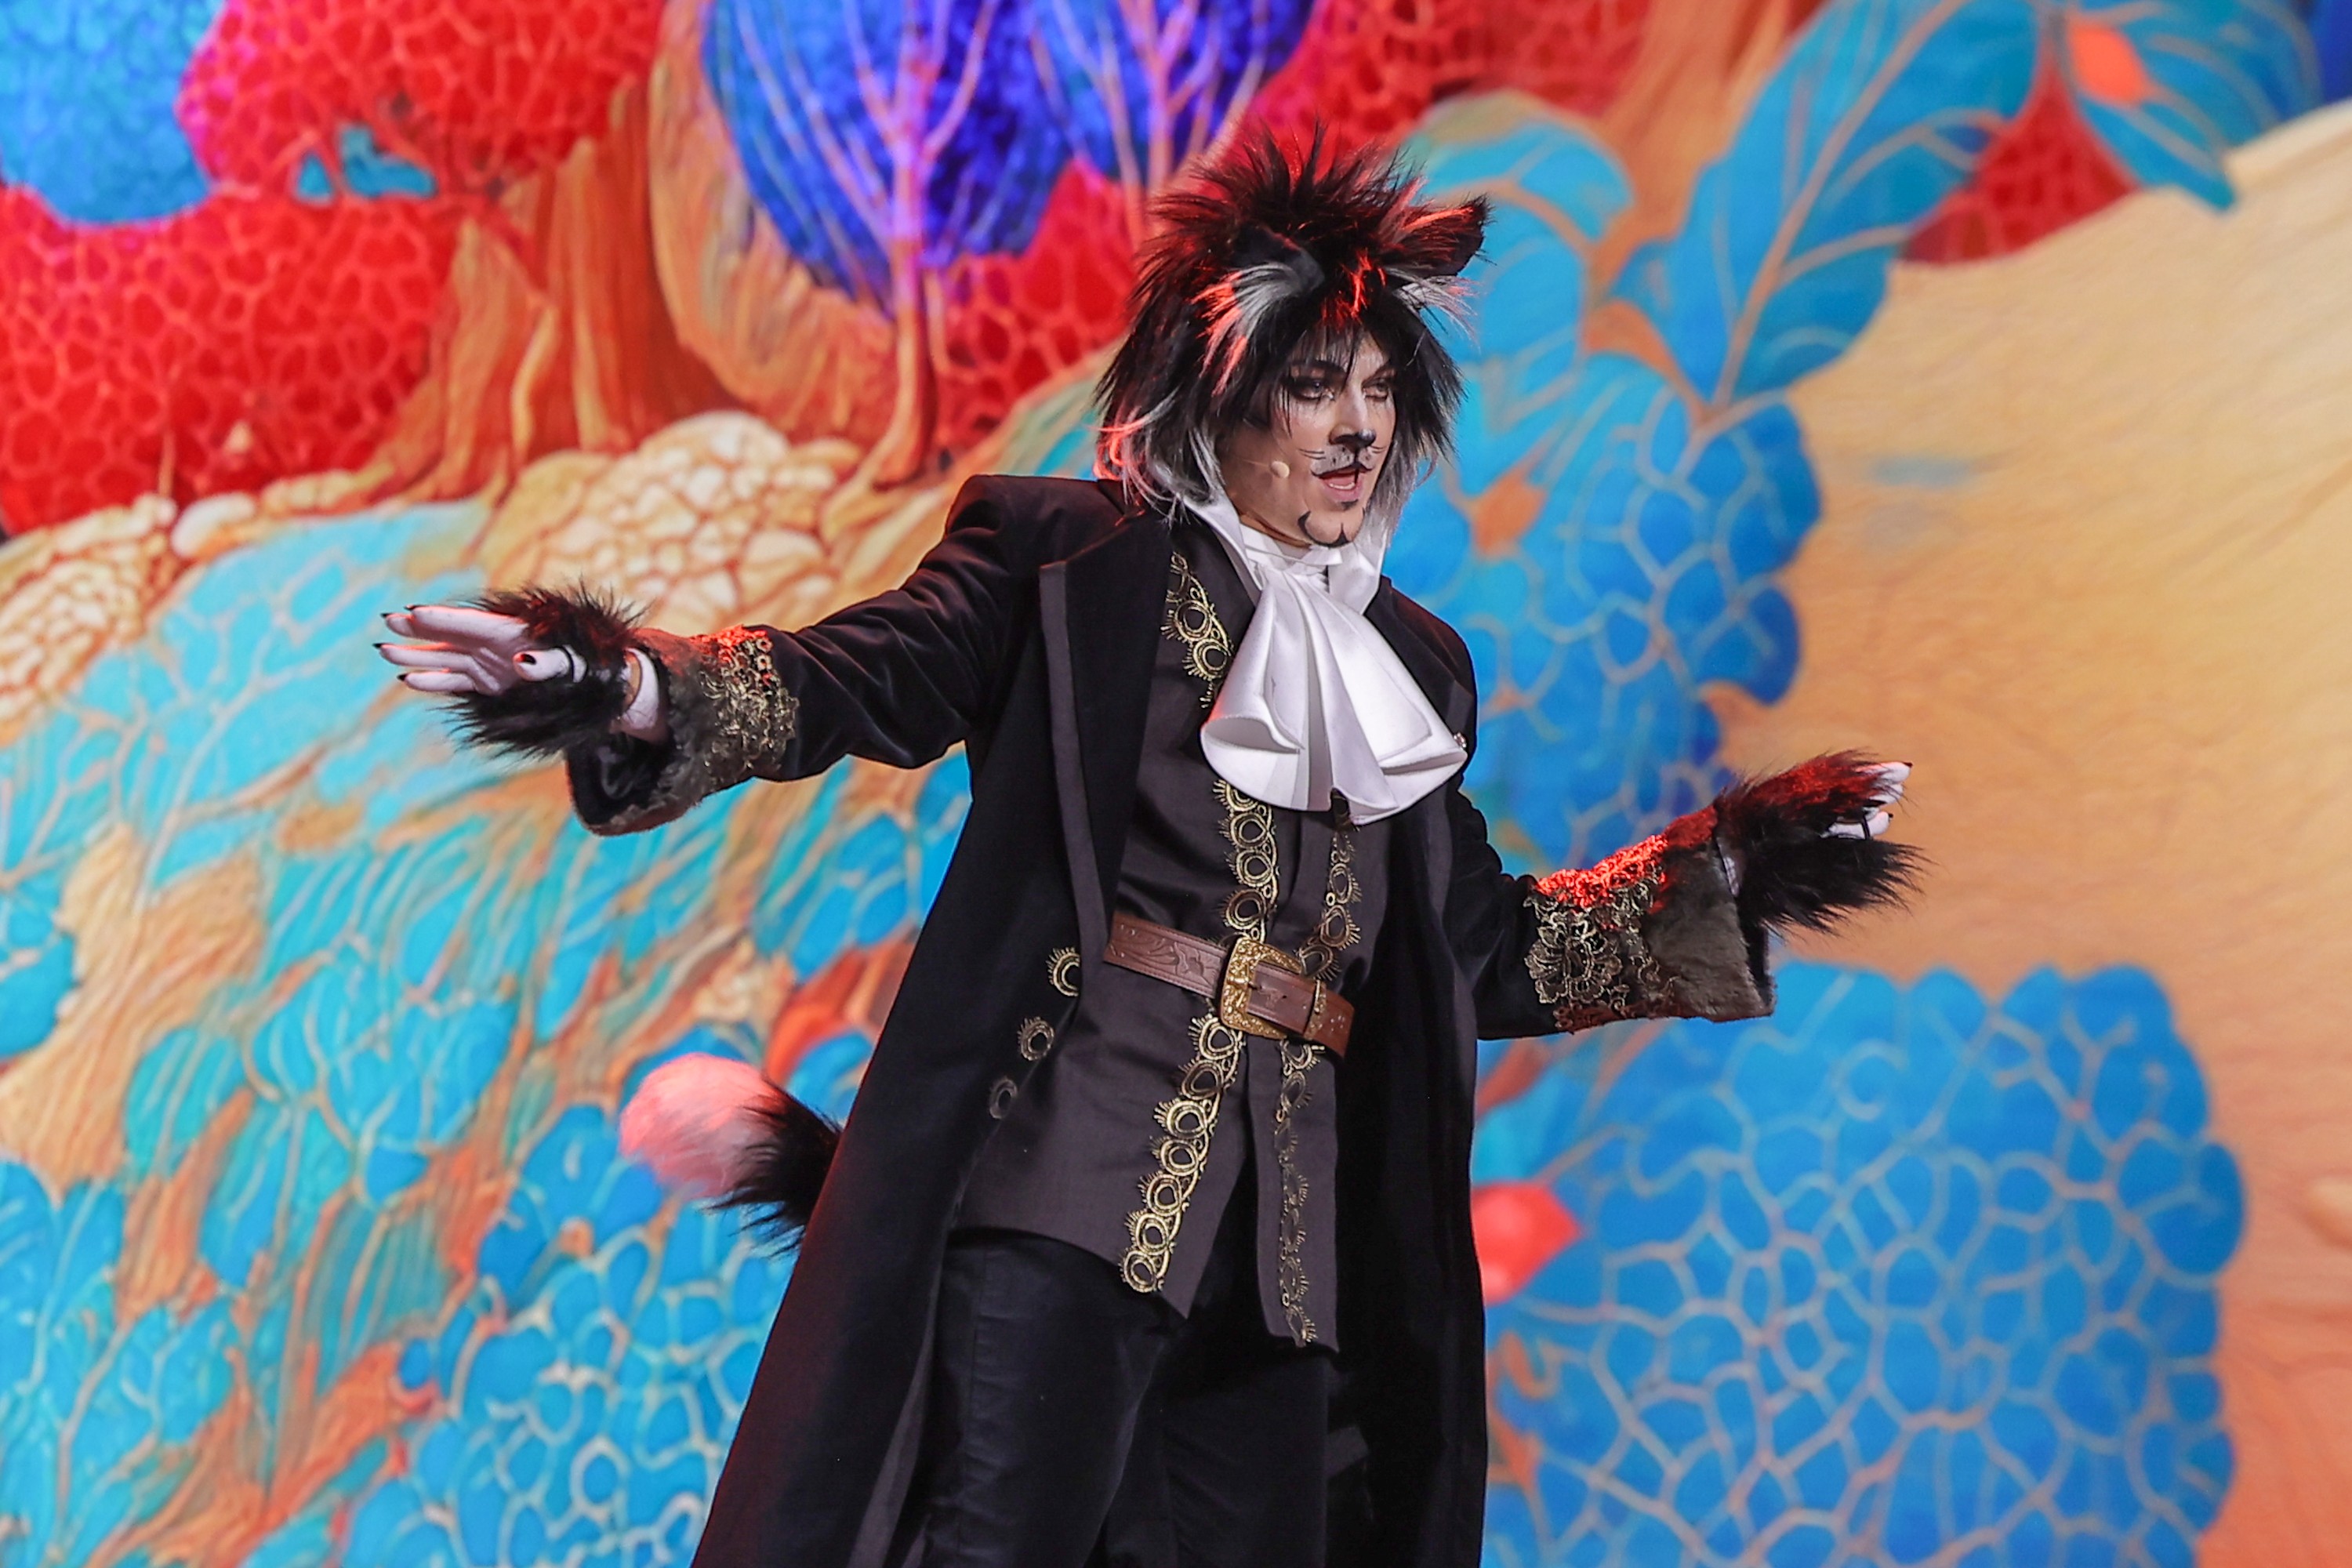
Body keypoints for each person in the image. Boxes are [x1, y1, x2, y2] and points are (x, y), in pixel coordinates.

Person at [377, 136, 1914, 1568]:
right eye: (1315, 386)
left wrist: (1740, 866)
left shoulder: (1409, 668)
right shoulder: (1066, 563)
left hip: (1285, 1268)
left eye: (1382, 392)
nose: (1359, 429)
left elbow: (1476, 947)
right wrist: (620, 681)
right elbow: (849, 678)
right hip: (1067, 1195)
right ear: (1219, 393)